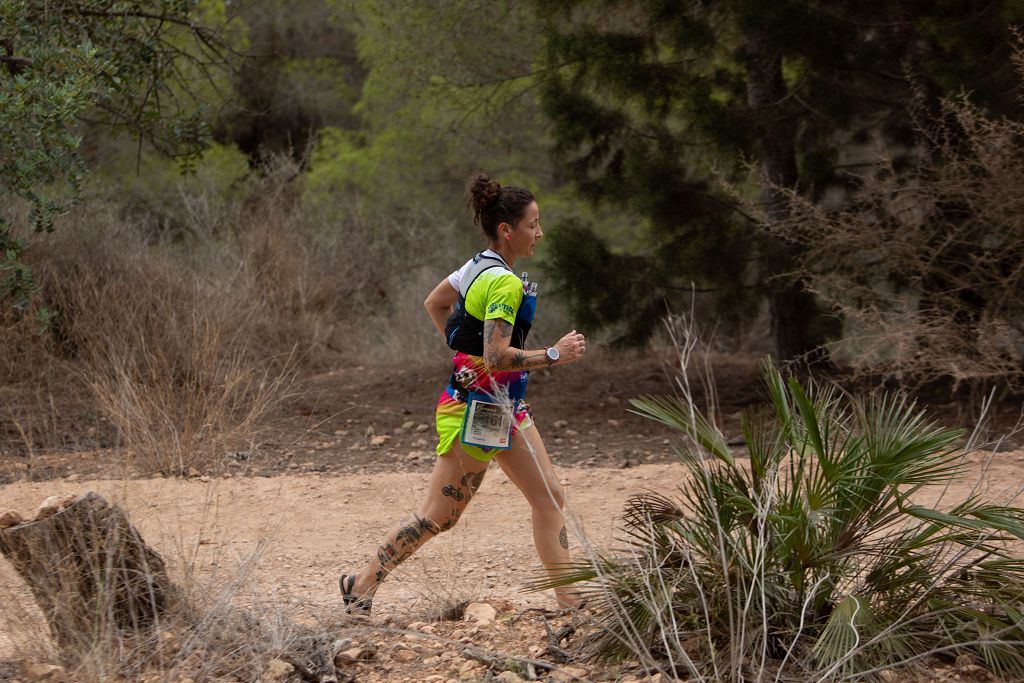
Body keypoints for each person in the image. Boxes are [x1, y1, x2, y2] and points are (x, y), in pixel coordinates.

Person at [338, 172, 588, 613]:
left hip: (504, 406)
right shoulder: (505, 283)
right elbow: (496, 357)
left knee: (550, 497)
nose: (539, 233)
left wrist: (462, 355)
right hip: (478, 411)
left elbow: (435, 303)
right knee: (439, 516)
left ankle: (571, 602)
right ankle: (359, 585)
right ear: (507, 230)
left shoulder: (477, 265)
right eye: (532, 224)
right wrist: (554, 353)